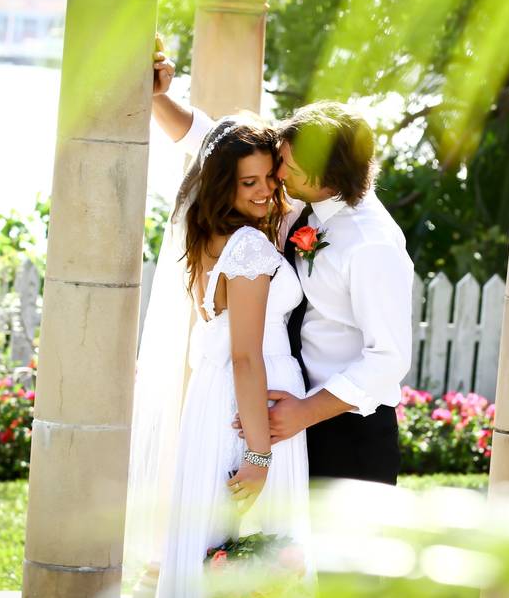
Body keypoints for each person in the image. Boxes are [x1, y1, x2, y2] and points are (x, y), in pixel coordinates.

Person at [152, 50, 415, 486]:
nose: (276, 175)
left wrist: (304, 413)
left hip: (346, 431)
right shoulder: (305, 199)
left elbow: (388, 360)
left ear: (325, 175)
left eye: (286, 168)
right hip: (284, 414)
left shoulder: (372, 246)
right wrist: (160, 99)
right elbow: (219, 147)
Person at [126, 111, 312, 598]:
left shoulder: (208, 233)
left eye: (270, 179)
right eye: (247, 182)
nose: (264, 192)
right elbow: (247, 357)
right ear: (221, 183)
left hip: (218, 401)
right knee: (253, 540)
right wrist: (259, 454)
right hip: (249, 411)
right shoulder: (248, 246)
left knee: (219, 537)